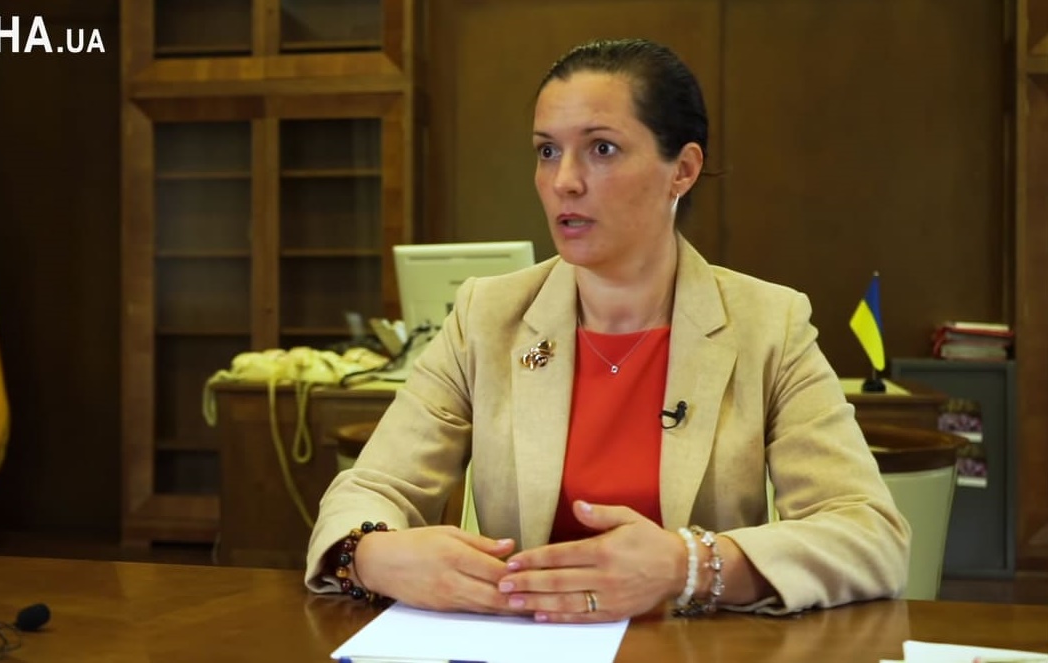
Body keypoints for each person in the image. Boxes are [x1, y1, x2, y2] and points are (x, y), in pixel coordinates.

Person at [304, 37, 909, 622]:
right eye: (547, 151)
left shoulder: (768, 324)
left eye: (601, 149)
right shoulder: (487, 316)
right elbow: (372, 487)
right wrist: (374, 554)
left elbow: (869, 535)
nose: (564, 180)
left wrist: (687, 566)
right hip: (524, 643)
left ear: (683, 170)